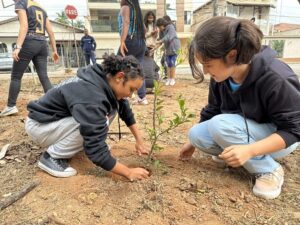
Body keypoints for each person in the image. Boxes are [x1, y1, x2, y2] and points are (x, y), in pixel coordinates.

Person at [179, 16, 300, 200]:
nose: (205, 71)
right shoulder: (221, 77)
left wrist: (250, 150)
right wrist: (192, 143)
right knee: (197, 134)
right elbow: (213, 109)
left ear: (232, 55)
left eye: (208, 64)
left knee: (221, 125)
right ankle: (237, 151)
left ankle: (269, 170)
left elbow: (294, 130)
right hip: (241, 128)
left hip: (280, 138)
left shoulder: (276, 78)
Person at [25, 54, 149, 181]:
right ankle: (52, 157)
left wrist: (139, 140)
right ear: (119, 77)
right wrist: (128, 172)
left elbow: (124, 108)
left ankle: (71, 145)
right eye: (131, 89)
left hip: (54, 122)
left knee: (110, 109)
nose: (131, 95)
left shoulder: (105, 79)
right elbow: (96, 149)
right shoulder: (91, 97)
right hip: (39, 127)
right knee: (97, 120)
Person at [0, 0, 59, 117]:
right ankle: (57, 104)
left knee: (16, 76)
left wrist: (17, 47)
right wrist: (55, 50)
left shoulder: (21, 2)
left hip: (29, 42)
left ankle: (11, 106)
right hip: (43, 43)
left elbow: (24, 26)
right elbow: (51, 32)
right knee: (44, 76)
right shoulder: (40, 6)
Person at [118, 0, 148, 105]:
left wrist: (122, 40)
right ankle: (142, 97)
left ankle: (122, 95)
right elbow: (145, 30)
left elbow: (126, 22)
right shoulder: (137, 11)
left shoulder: (125, 8)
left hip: (129, 40)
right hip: (141, 42)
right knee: (139, 68)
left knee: (119, 65)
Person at [156, 17, 180, 86]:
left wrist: (160, 41)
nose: (159, 28)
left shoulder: (170, 27)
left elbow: (169, 37)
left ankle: (172, 79)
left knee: (172, 63)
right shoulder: (161, 31)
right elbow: (160, 41)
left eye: (159, 26)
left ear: (163, 24)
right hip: (167, 49)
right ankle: (168, 78)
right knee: (168, 64)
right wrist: (154, 48)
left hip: (174, 48)